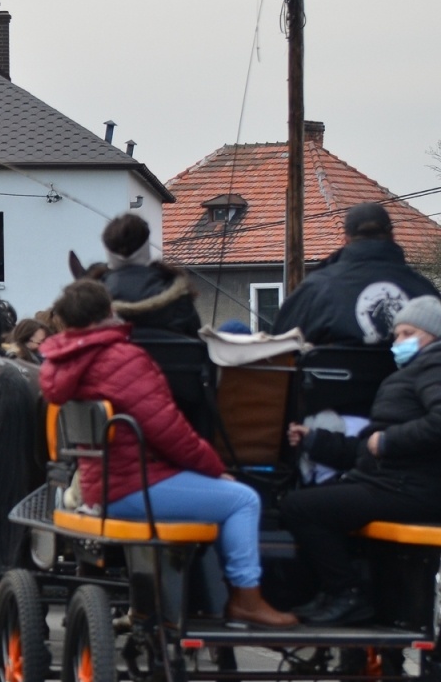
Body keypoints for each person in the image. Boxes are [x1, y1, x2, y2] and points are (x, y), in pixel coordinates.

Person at [39, 279, 295, 628]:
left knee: (223, 499)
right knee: (241, 499)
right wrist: (213, 468)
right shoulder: (122, 358)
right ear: (109, 312)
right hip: (132, 486)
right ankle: (246, 599)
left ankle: (196, 599)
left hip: (100, 484)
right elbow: (168, 429)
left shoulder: (64, 363)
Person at [282, 296, 441, 625]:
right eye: (396, 335)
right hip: (391, 482)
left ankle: (347, 594)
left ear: (434, 336)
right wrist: (315, 440)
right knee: (306, 504)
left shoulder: (434, 366)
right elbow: (367, 448)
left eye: (408, 333)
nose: (398, 342)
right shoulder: (414, 371)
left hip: (409, 489)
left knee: (301, 507)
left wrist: (388, 441)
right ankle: (336, 592)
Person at [272, 202, 440, 345]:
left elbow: (279, 351)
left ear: (346, 239)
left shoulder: (315, 289)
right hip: (415, 383)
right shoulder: (424, 292)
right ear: (393, 236)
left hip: (332, 384)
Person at [98, 212, 201, 337]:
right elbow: (196, 345)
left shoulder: (90, 302)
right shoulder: (179, 298)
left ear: (108, 249)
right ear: (146, 244)